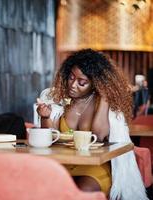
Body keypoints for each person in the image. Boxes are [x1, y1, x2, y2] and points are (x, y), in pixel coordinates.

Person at [37, 49, 147, 200]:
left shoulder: (105, 105)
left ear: (95, 84)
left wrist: (104, 97)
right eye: (71, 77)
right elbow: (51, 137)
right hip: (62, 164)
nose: (73, 85)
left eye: (82, 82)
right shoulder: (60, 101)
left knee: (82, 192)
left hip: (94, 167)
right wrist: (45, 117)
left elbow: (99, 136)